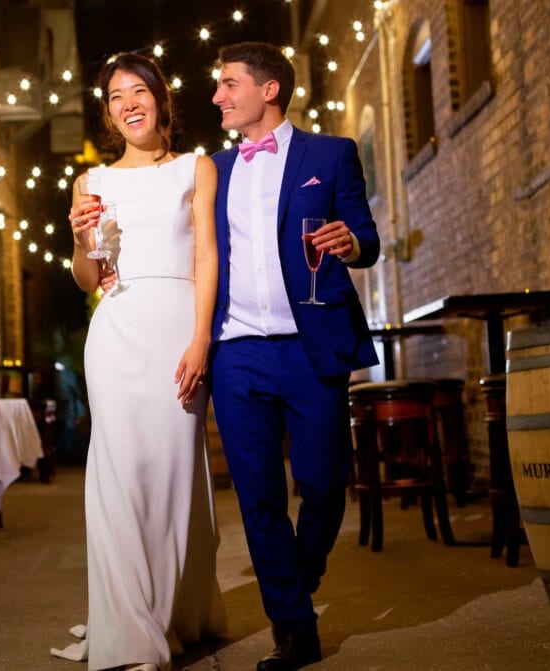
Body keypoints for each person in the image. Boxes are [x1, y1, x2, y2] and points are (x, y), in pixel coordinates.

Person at [208, 42, 381, 671]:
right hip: (237, 352)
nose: (219, 96)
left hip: (312, 346)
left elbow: (368, 238)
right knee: (256, 495)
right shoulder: (212, 170)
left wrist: (352, 244)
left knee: (325, 484)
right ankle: (293, 628)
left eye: (229, 84)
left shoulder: (332, 154)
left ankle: (297, 575)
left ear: (269, 89)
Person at [51, 52, 226, 671]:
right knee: (117, 475)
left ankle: (176, 609)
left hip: (178, 328)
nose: (130, 103)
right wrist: (78, 238)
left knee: (176, 473)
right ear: (108, 112)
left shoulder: (195, 169)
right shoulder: (91, 182)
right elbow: (87, 279)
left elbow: (207, 256)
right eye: (117, 95)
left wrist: (202, 338)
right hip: (117, 330)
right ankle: (129, 634)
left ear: (161, 99)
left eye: (139, 91)